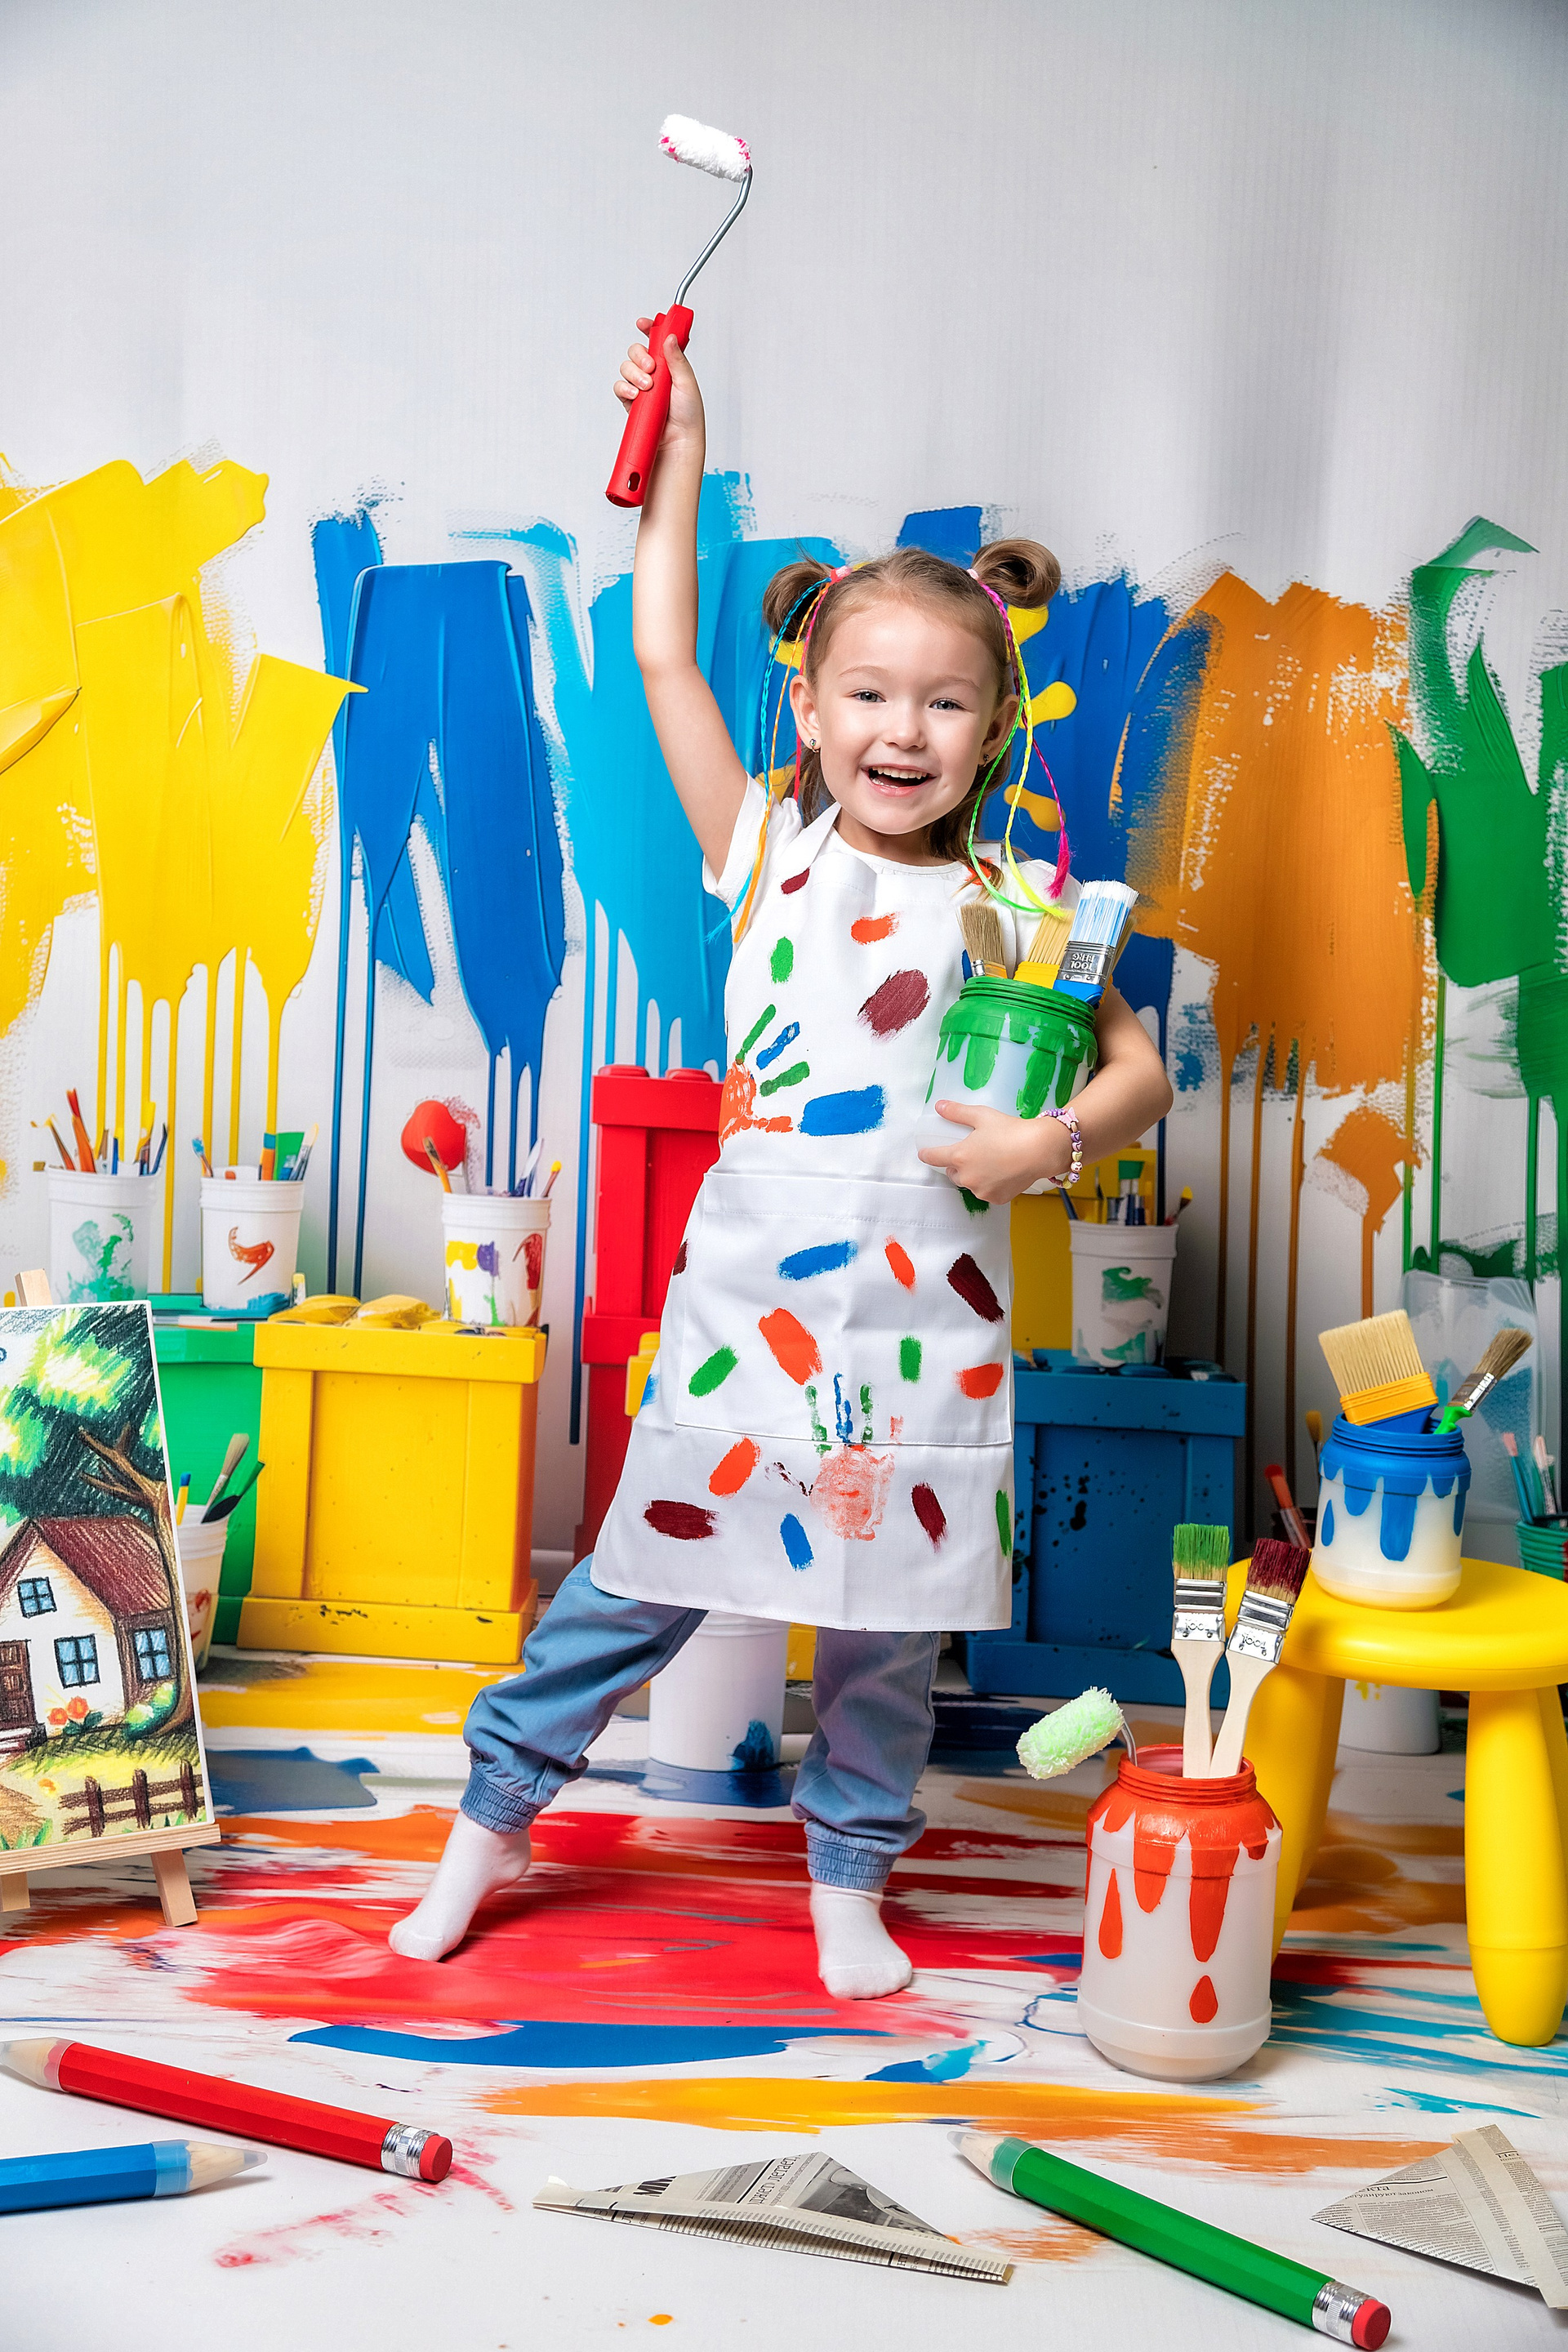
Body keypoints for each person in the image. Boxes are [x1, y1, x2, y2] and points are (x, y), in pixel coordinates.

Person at [390, 323, 1174, 1993]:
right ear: (809, 711)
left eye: (945, 701)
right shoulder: (765, 851)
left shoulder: (1028, 906)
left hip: (934, 1319)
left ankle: (848, 1879)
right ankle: (489, 1826)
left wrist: (1050, 1140)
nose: (904, 729)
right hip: (750, 1305)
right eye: (868, 694)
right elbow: (663, 653)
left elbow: (1141, 1073)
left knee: (888, 1628)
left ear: (992, 728)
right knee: (632, 1585)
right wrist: (679, 453)